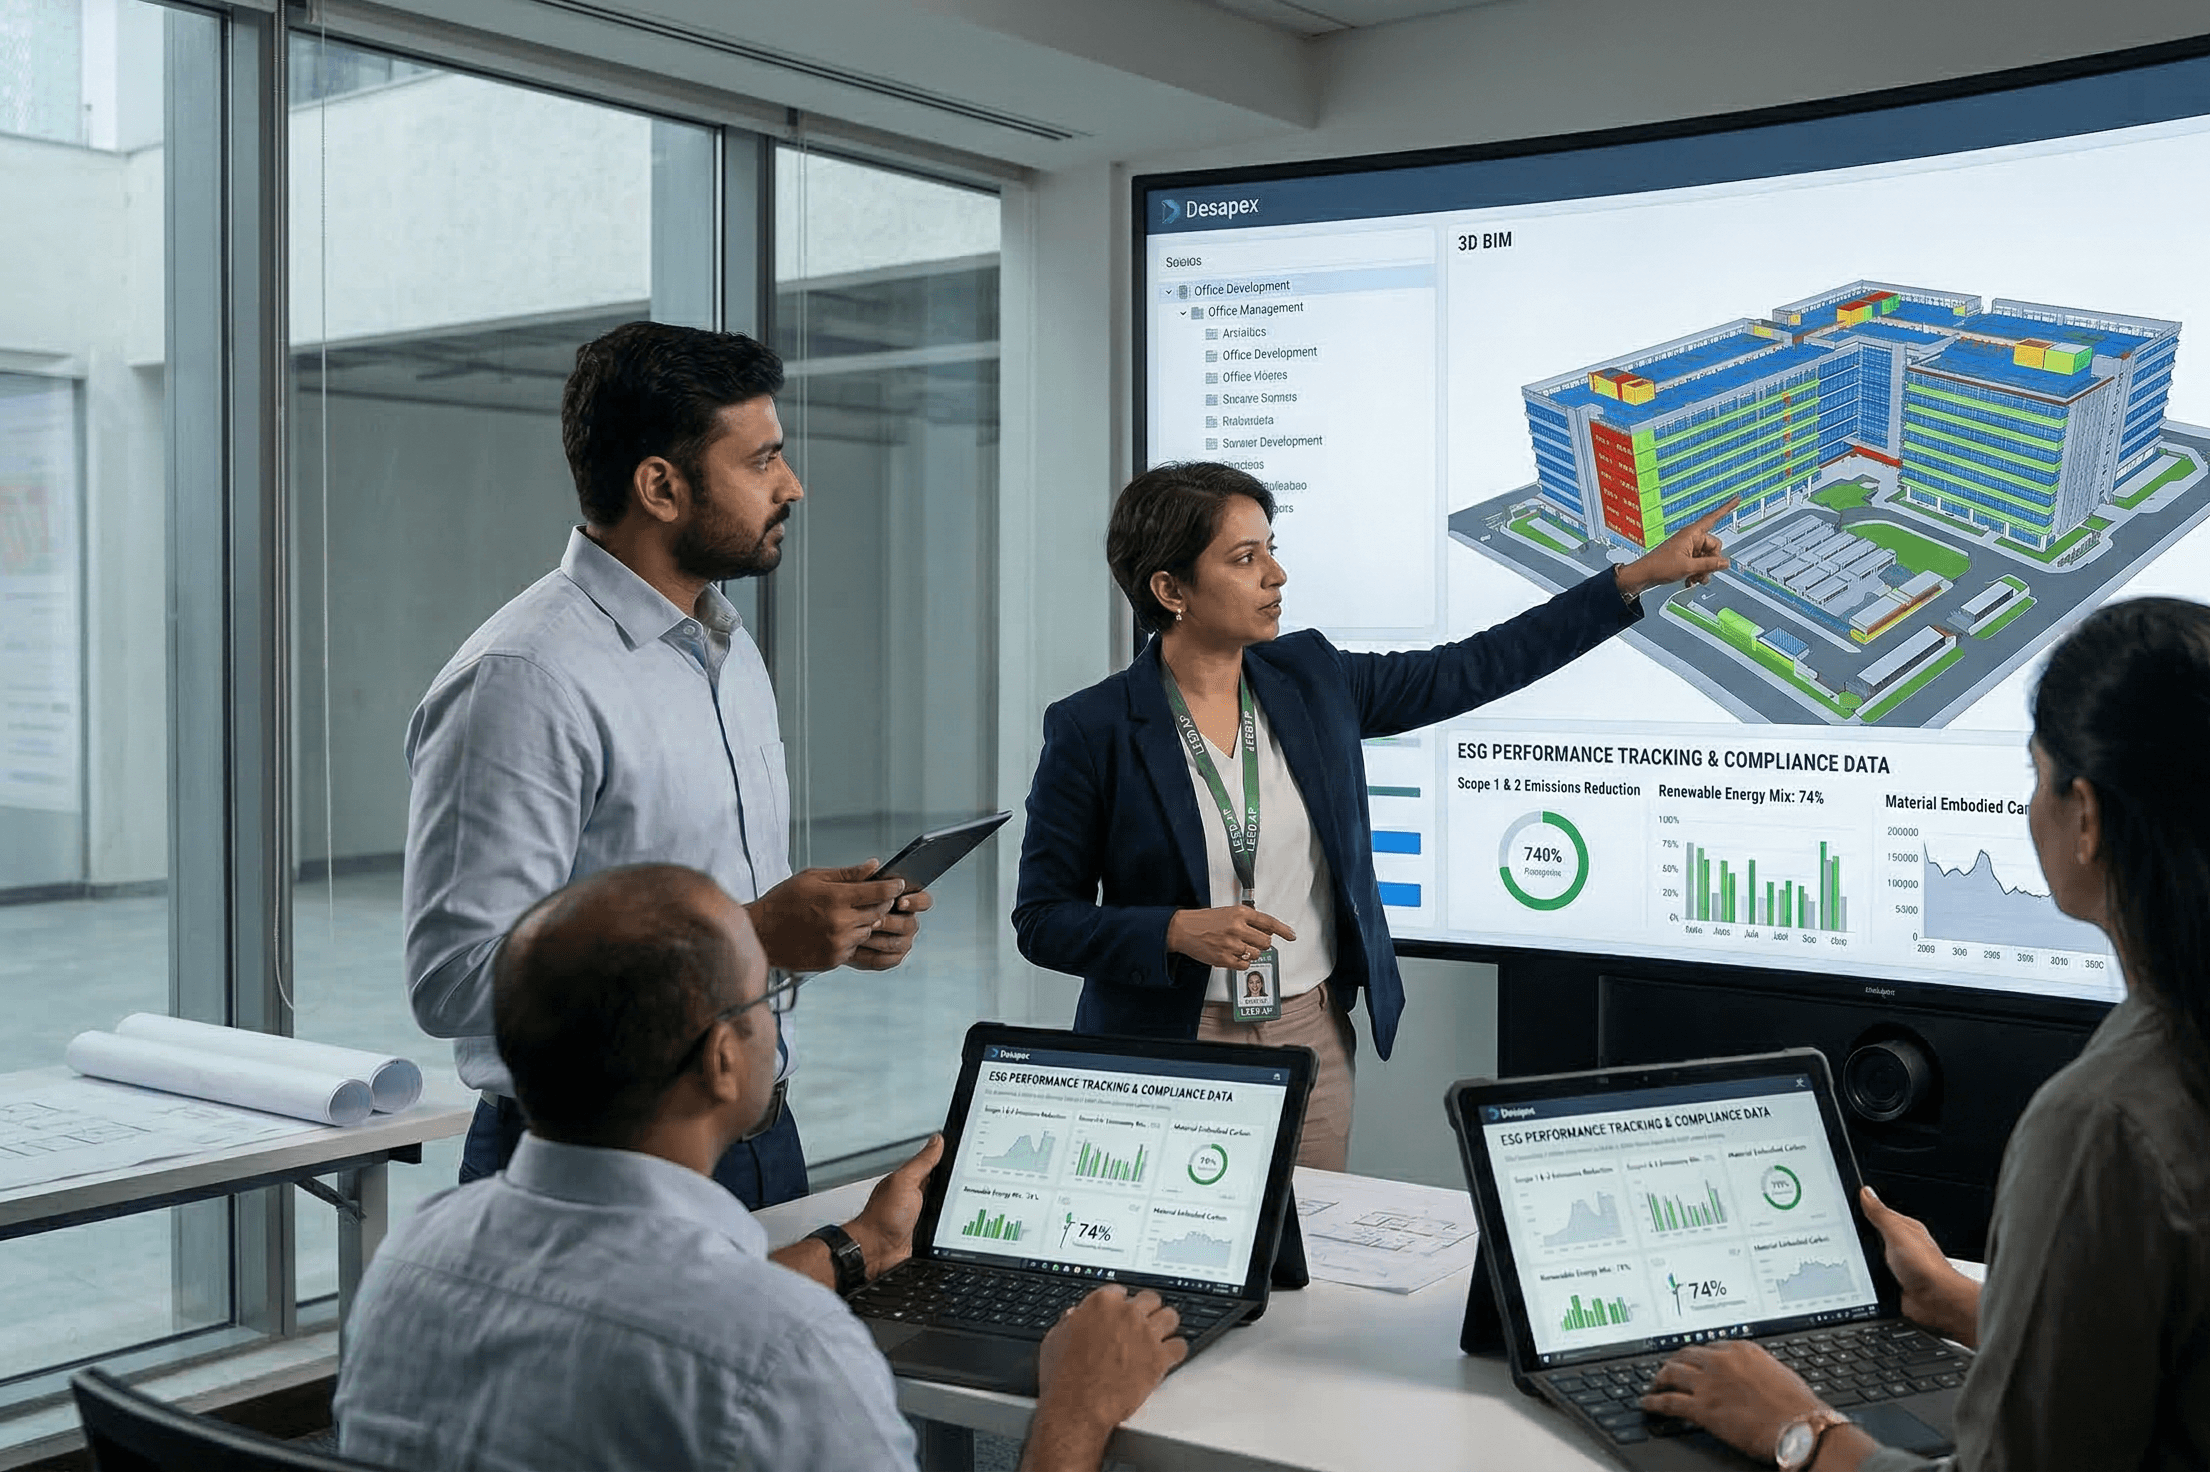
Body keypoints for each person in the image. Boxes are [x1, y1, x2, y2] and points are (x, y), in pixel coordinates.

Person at [1640, 598, 2210, 1472]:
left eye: (2036, 775)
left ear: (2087, 815)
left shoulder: (2107, 1126)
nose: (2031, 808)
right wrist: (1963, 1302)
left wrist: (1800, 1430)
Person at [335, 864, 1186, 1472]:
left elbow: (638, 1306)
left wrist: (860, 1246)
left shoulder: (411, 1260)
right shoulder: (787, 1353)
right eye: (769, 997)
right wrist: (1076, 1411)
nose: (778, 1024)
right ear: (721, 1061)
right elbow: (722, 1334)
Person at [1014, 462, 1731, 1168]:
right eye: (1244, 557)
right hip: (1169, 1045)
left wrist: (1631, 581)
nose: (1275, 575)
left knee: (1310, 1266)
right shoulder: (1094, 728)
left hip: (1309, 1034)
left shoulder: (1312, 677)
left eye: (1271, 549)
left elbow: (1477, 665)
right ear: (1170, 589)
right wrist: (1172, 929)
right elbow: (1043, 919)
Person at [402, 321, 932, 1208]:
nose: (792, 485)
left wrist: (826, 930)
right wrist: (753, 934)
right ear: (660, 486)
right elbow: (455, 981)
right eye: (762, 461)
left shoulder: (725, 645)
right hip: (593, 1166)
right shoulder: (523, 679)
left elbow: (723, 897)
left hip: (760, 1133)